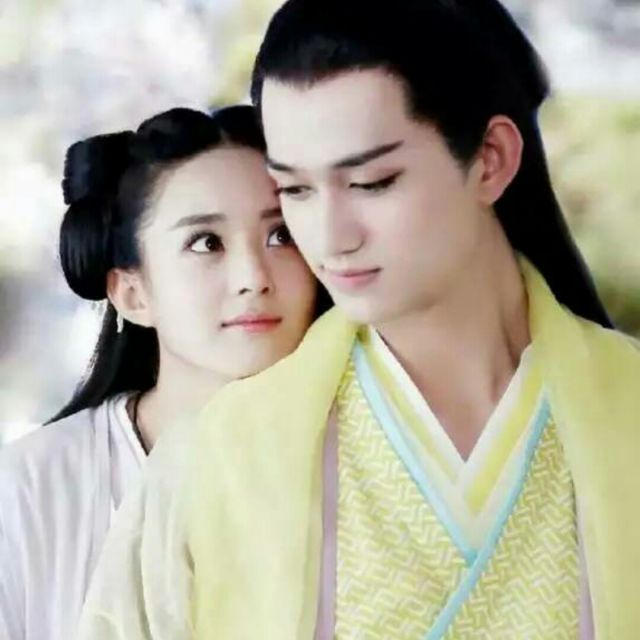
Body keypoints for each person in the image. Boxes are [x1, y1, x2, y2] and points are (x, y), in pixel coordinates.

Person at [78, 1, 640, 639]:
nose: (330, 237)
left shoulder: (629, 409)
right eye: (295, 190)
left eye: (371, 182)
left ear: (491, 158)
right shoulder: (216, 457)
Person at [0, 105, 328, 640]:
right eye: (206, 243)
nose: (254, 277)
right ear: (133, 294)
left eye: (281, 236)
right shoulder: (28, 492)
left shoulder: (373, 462)